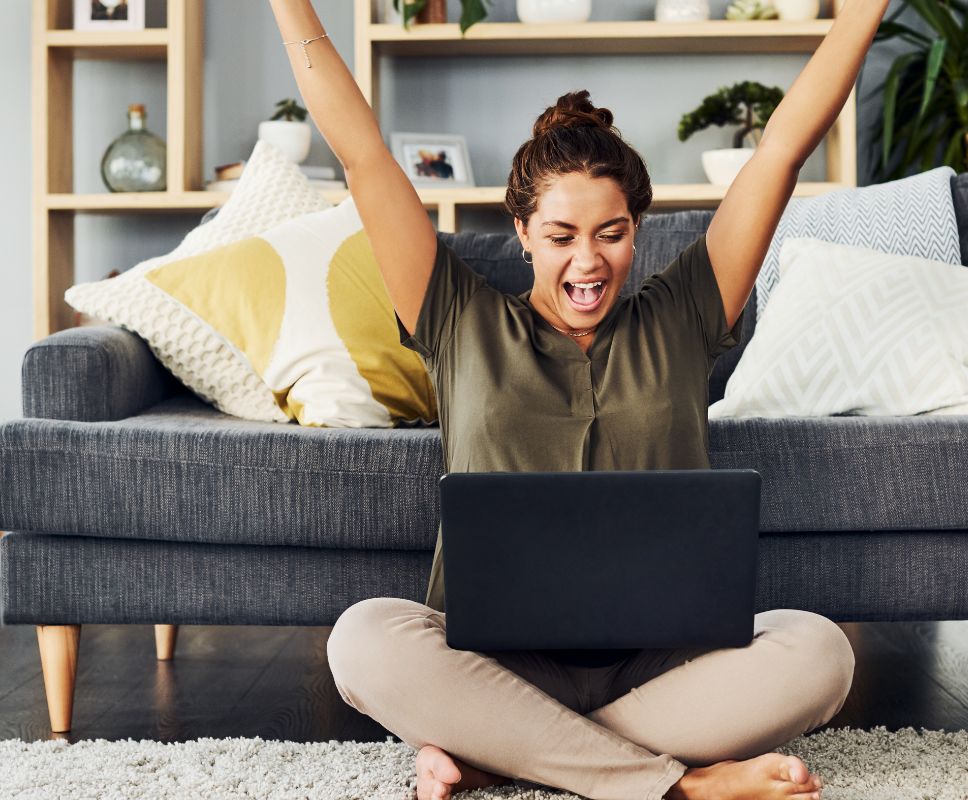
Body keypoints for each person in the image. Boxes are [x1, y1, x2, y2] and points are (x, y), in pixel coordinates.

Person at [267, 2, 889, 798]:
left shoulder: (685, 312)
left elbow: (782, 148)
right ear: (521, 231)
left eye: (613, 233)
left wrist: (864, 8)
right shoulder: (456, 316)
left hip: (663, 668)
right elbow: (360, 156)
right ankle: (681, 786)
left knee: (820, 653)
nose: (588, 261)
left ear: (639, 228)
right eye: (561, 236)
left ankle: (505, 756)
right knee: (363, 641)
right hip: (493, 665)